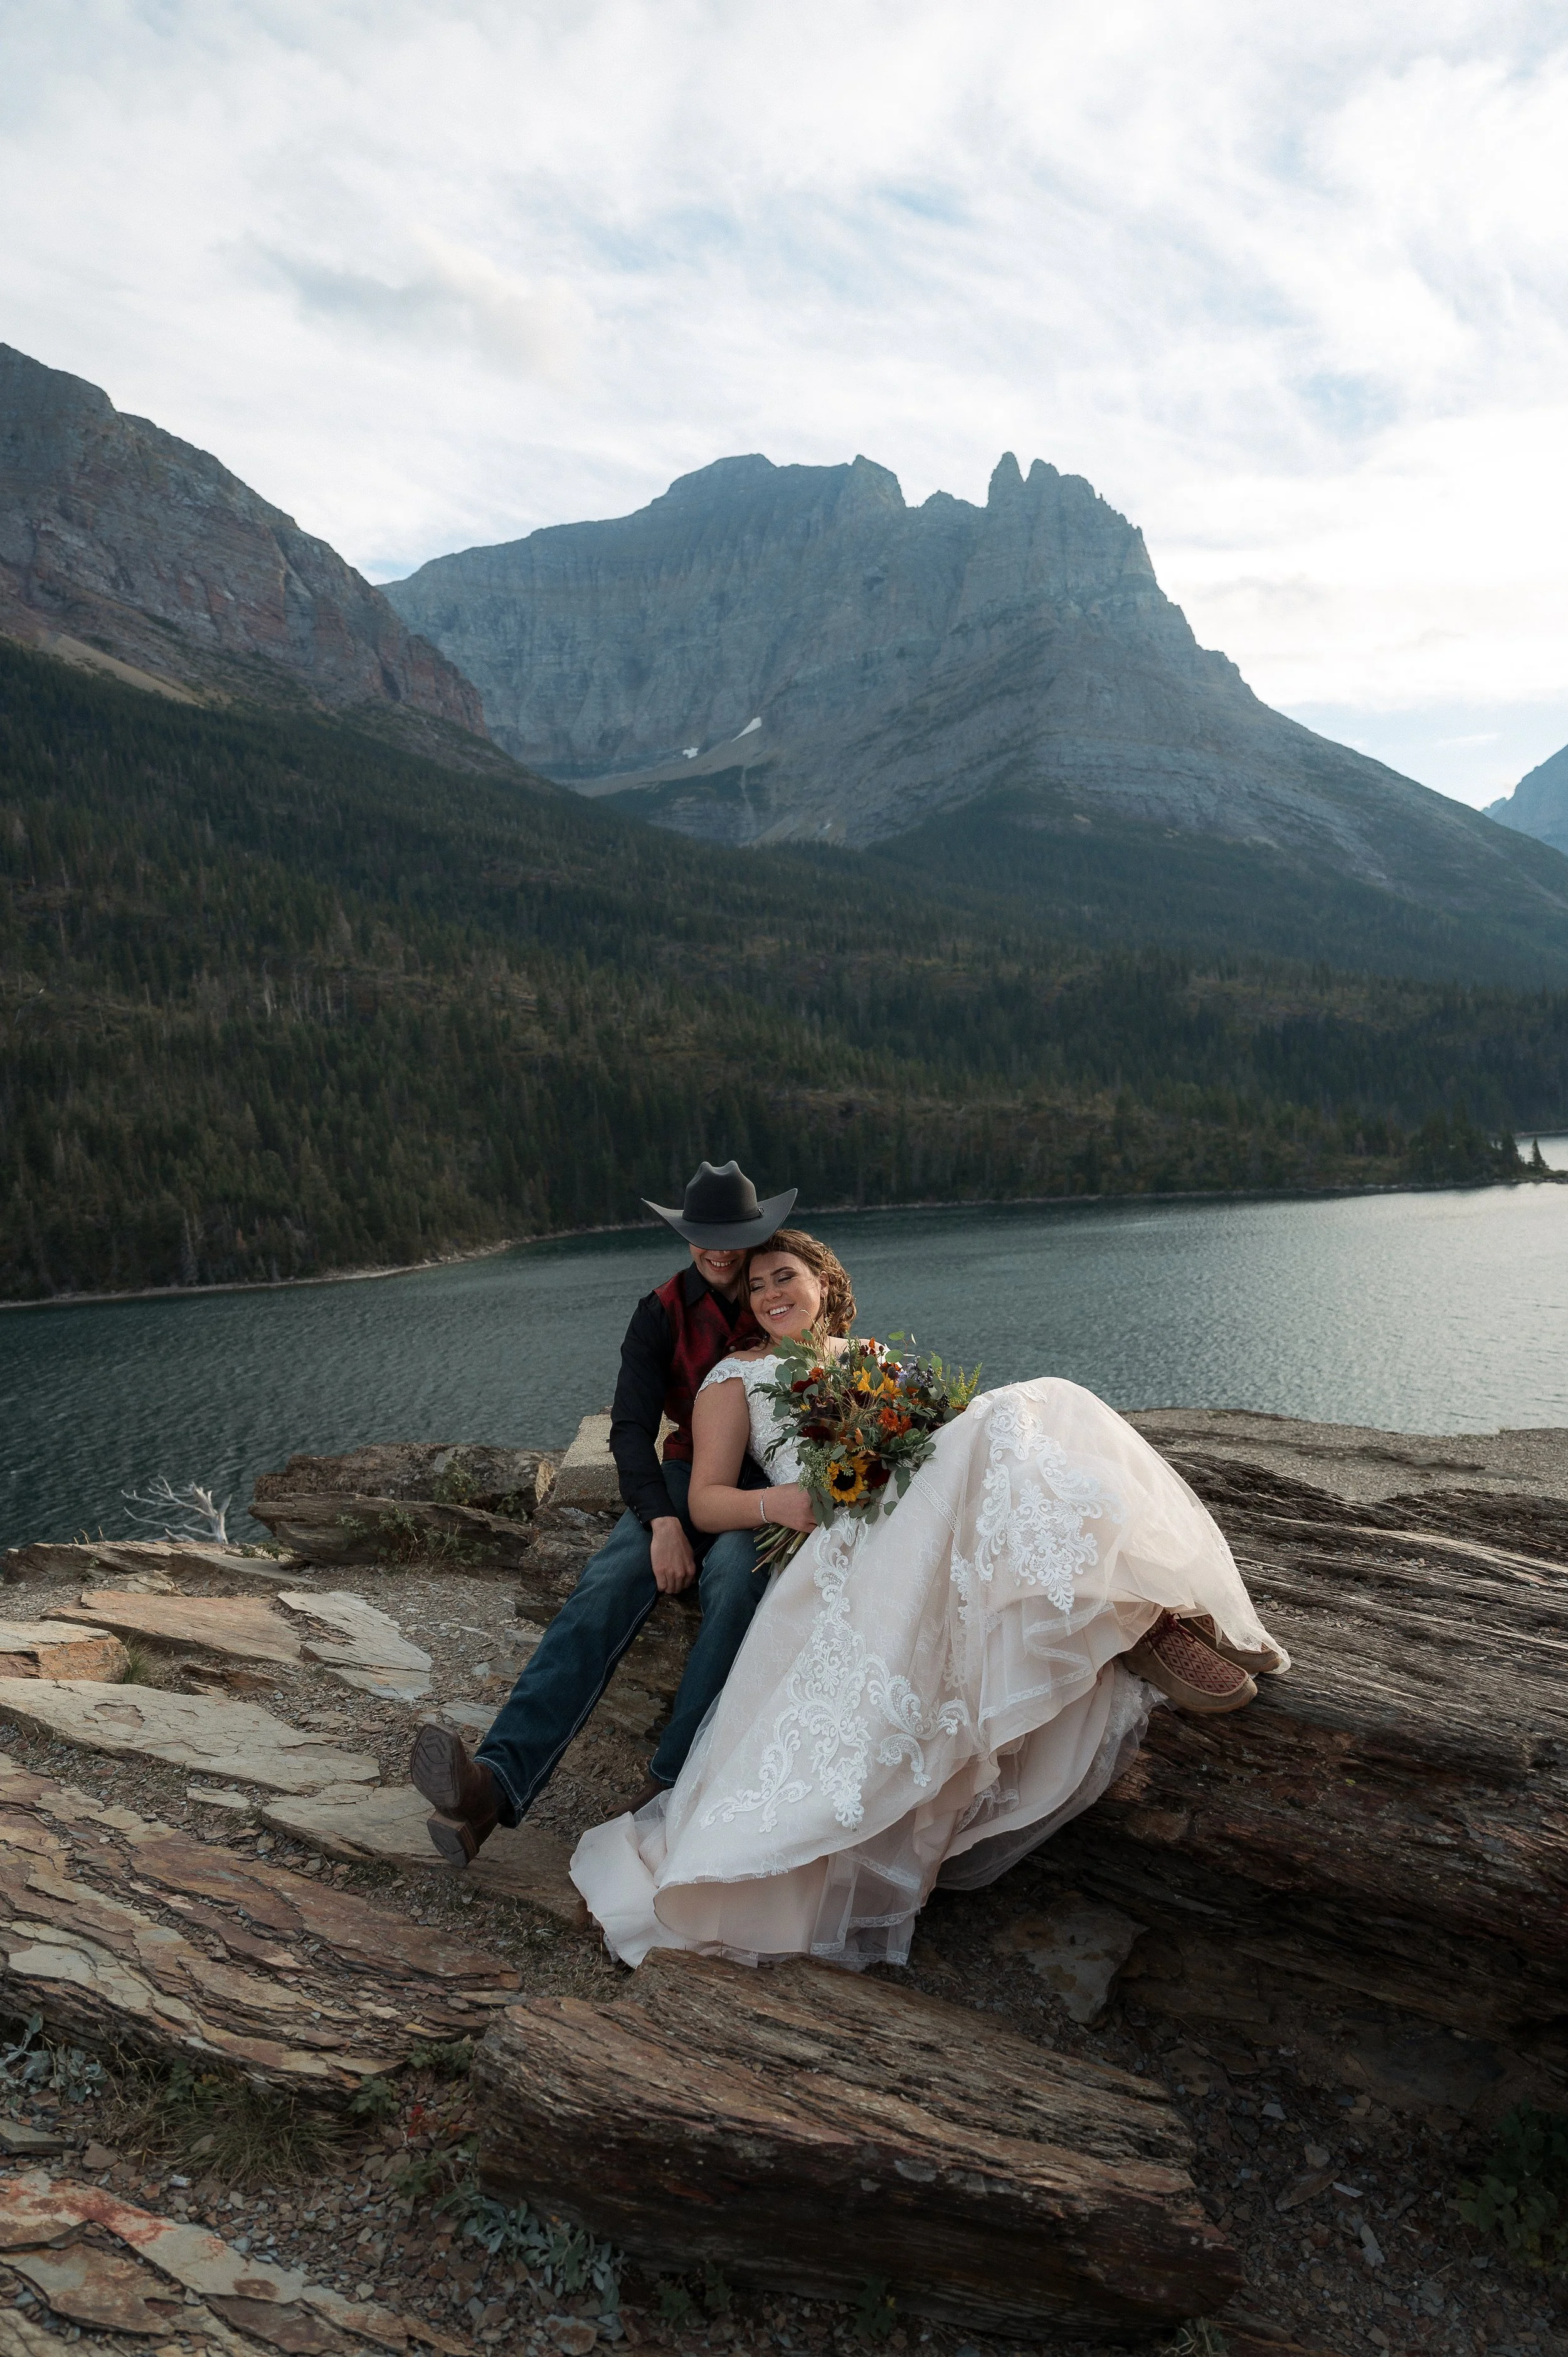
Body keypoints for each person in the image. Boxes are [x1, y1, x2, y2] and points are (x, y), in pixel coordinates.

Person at [569, 1228, 1289, 1968]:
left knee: (1042, 1409)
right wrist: (780, 1504)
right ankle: (1134, 1610)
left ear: (825, 1284)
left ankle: (1139, 1604)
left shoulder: (875, 1362)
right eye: (755, 1287)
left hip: (911, 1515)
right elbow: (707, 1500)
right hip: (840, 1534)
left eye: (783, 1276)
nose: (769, 1295)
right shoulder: (733, 1377)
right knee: (1025, 1408)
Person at [410, 1159, 797, 1863]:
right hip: (684, 1474)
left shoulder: (778, 1292)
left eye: (730, 1235)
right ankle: (492, 1786)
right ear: (685, 1236)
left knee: (737, 1580)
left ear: (754, 1233)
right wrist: (662, 1521)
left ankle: (668, 1783)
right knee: (606, 1585)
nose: (717, 1248)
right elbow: (628, 1429)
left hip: (768, 1485)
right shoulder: (659, 1313)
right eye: (701, 1234)